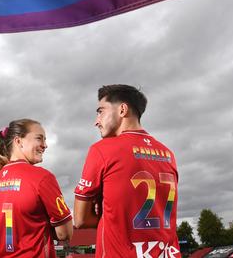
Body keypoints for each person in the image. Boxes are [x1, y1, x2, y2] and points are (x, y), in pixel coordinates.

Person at [74, 85, 180, 257]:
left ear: (122, 109)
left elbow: (80, 219)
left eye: (100, 111)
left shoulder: (102, 150)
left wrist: (107, 213)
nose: (96, 120)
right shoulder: (168, 154)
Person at [0, 118, 73, 257]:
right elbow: (64, 233)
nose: (45, 145)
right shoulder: (42, 177)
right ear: (19, 141)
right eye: (39, 138)